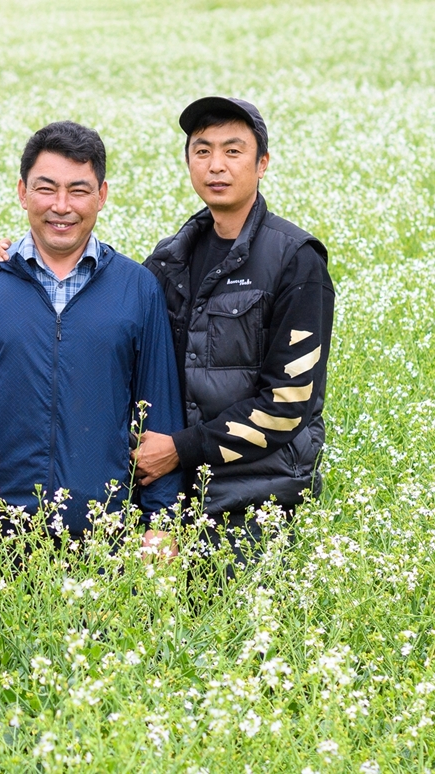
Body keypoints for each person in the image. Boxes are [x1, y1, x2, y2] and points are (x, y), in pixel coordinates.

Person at [0, 121, 183, 560]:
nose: (61, 206)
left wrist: (160, 521)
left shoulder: (138, 288)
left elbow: (159, 413)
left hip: (102, 536)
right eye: (46, 189)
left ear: (102, 196)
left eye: (79, 190)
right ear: (22, 192)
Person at [131, 97, 333, 554]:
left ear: (262, 163)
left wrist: (180, 450)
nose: (215, 165)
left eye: (232, 151)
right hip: (173, 497)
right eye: (202, 151)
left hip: (260, 501)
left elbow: (286, 403)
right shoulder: (168, 259)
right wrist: (9, 261)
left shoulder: (295, 260)